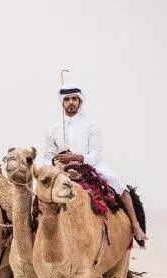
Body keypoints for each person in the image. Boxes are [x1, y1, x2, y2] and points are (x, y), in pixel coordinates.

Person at [41, 84, 148, 243]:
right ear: (62, 103)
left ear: (79, 102)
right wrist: (56, 160)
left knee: (120, 186)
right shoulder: (53, 130)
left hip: (90, 166)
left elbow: (96, 155)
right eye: (67, 99)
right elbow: (46, 156)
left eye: (74, 99)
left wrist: (76, 157)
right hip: (61, 169)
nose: (71, 102)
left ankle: (135, 225)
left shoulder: (91, 126)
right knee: (39, 191)